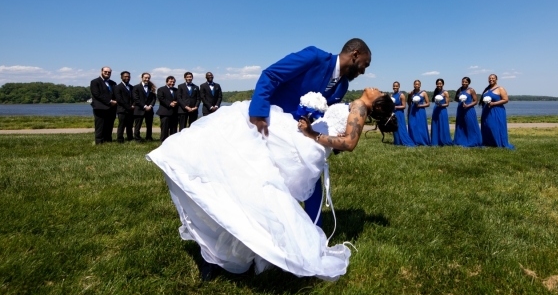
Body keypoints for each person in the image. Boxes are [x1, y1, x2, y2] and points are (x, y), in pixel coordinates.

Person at [146, 88, 397, 281]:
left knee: (245, 128)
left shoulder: (360, 109)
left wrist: (312, 134)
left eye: (381, 92)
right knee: (253, 152)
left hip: (308, 146)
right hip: (306, 141)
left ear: (375, 102)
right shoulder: (355, 105)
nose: (376, 87)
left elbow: (350, 144)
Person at [248, 39, 372, 227]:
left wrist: (332, 137)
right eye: (365, 64)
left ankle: (314, 233)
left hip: (300, 135)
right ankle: (265, 226)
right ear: (355, 54)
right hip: (272, 125)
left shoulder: (342, 86)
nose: (363, 71)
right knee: (267, 182)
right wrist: (258, 113)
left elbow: (325, 115)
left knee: (312, 175)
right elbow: (271, 75)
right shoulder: (314, 57)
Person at [480, 74, 515, 149]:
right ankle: (488, 142)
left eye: (493, 78)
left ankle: (498, 142)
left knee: (495, 126)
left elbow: (505, 100)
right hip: (487, 110)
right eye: (489, 78)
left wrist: (494, 103)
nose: (491, 79)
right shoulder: (486, 89)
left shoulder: (500, 88)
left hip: (497, 110)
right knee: (487, 126)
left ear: (496, 79)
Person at [89, 67, 117, 145]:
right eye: (105, 71)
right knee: (100, 125)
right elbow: (97, 94)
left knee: (109, 125)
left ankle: (108, 140)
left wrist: (117, 101)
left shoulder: (113, 83)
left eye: (109, 72)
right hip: (100, 107)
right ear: (101, 71)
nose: (107, 73)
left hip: (111, 108)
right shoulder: (95, 82)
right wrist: (110, 101)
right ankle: (99, 141)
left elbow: (116, 94)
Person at [453, 76, 483, 147]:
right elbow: (456, 99)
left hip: (469, 110)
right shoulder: (459, 90)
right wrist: (461, 100)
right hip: (460, 109)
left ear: (469, 83)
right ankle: (460, 140)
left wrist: (468, 105)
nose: (464, 83)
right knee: (460, 125)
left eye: (466, 82)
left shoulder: (471, 90)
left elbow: (475, 101)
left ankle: (473, 140)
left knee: (470, 124)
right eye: (463, 81)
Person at [132, 72, 156, 142]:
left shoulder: (151, 87)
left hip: (149, 110)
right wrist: (145, 106)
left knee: (149, 125)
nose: (147, 79)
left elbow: (154, 99)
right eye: (145, 78)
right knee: (138, 125)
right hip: (139, 109)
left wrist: (150, 106)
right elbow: (136, 99)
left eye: (148, 78)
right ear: (142, 78)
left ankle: (149, 137)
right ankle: (137, 138)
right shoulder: (136, 87)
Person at [390, 82, 415, 147]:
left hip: (399, 113)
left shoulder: (401, 95)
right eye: (394, 86)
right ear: (392, 87)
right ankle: (397, 142)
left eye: (396, 86)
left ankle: (403, 141)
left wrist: (395, 107)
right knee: (394, 127)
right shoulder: (391, 95)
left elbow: (404, 106)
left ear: (399, 87)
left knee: (400, 127)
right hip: (393, 113)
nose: (395, 87)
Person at [430, 78, 454, 146]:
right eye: (437, 84)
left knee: (443, 124)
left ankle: (444, 140)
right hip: (436, 109)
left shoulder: (445, 92)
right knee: (435, 124)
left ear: (443, 84)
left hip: (442, 110)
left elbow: (447, 104)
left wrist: (441, 105)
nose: (439, 85)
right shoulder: (436, 92)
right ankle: (435, 141)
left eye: (440, 84)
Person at [407, 79, 431, 146]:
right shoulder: (411, 93)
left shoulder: (424, 93)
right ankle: (413, 140)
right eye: (415, 84)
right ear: (413, 85)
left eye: (418, 84)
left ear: (420, 85)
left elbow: (428, 104)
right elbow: (409, 103)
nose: (416, 85)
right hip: (413, 111)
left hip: (420, 111)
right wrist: (409, 96)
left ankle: (422, 141)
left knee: (421, 126)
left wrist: (420, 105)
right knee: (412, 125)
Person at [113, 71, 135, 143]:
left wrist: (133, 105)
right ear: (121, 77)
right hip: (122, 110)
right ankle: (120, 139)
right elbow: (119, 99)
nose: (127, 78)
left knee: (130, 125)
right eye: (125, 76)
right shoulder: (117, 87)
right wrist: (129, 107)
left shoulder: (132, 87)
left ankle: (130, 138)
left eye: (128, 76)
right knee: (121, 125)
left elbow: (134, 98)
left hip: (131, 110)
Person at [157, 76, 179, 141]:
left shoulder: (176, 90)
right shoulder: (161, 89)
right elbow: (161, 98)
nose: (172, 83)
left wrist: (176, 102)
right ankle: (163, 141)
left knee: (174, 129)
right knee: (165, 129)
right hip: (165, 112)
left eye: (173, 82)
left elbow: (179, 98)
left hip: (174, 112)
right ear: (167, 82)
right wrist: (170, 103)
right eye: (170, 82)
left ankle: (173, 141)